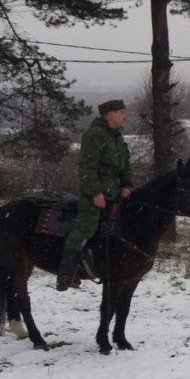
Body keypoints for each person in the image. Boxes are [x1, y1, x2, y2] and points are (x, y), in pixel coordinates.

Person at [57, 100, 133, 291]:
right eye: (121, 112)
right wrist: (95, 193)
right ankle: (66, 273)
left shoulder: (117, 139)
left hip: (115, 196)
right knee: (86, 228)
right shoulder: (94, 136)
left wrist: (127, 184)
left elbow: (125, 166)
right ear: (109, 114)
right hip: (94, 197)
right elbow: (87, 169)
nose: (125, 116)